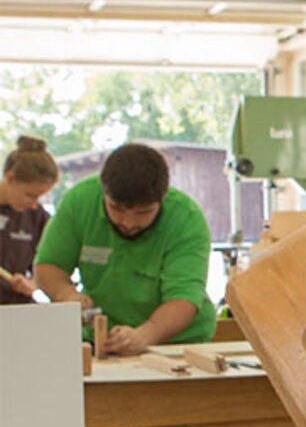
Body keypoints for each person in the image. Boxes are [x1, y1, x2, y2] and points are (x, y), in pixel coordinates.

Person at [35, 142, 216, 352]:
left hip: (175, 344)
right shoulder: (79, 202)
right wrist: (66, 294)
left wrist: (147, 334)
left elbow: (183, 300)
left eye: (143, 212)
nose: (128, 223)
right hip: (101, 340)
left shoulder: (186, 219)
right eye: (116, 208)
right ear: (103, 190)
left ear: (163, 196)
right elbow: (49, 266)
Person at [1, 136, 59, 304]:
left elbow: (51, 264)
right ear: (10, 177)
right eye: (30, 195)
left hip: (17, 309)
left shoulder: (38, 217)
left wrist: (33, 283)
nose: (34, 205)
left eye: (39, 198)